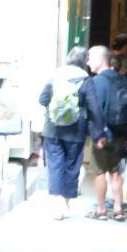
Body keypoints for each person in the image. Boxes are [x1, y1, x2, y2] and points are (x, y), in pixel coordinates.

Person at [81, 45, 127, 221]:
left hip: (102, 134)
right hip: (120, 132)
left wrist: (98, 135)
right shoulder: (122, 79)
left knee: (99, 171)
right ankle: (118, 209)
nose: (88, 61)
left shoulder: (96, 81)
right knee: (116, 171)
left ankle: (102, 209)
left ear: (101, 59)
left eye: (90, 57)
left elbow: (95, 110)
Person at [37, 46, 89, 220]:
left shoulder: (55, 75)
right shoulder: (85, 79)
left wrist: (55, 110)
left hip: (53, 128)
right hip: (76, 131)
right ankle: (65, 203)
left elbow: (42, 99)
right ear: (84, 61)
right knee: (72, 165)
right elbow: (93, 104)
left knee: (55, 165)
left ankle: (57, 203)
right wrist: (98, 131)